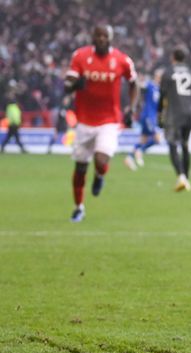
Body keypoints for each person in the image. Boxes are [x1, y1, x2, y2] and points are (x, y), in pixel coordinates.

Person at [64, 24, 138, 222]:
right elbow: (67, 83)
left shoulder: (122, 60)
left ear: (111, 38)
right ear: (92, 37)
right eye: (98, 35)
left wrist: (131, 107)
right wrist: (73, 85)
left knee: (101, 159)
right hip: (84, 120)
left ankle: (99, 175)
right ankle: (79, 207)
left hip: (109, 120)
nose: (101, 38)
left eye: (105, 35)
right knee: (80, 168)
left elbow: (134, 84)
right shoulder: (80, 56)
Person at [158, 47, 191, 192]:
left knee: (173, 145)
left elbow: (162, 96)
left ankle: (181, 176)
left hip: (173, 114)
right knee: (185, 146)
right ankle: (186, 177)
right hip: (188, 113)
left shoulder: (168, 72)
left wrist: (160, 114)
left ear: (173, 57)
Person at [124, 68, 162, 170]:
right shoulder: (150, 85)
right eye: (160, 76)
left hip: (152, 116)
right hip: (148, 116)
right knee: (157, 139)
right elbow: (139, 87)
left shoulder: (160, 89)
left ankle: (129, 157)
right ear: (156, 76)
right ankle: (140, 151)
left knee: (143, 140)